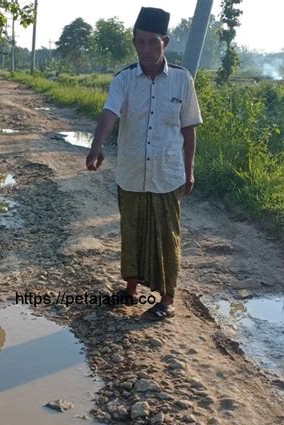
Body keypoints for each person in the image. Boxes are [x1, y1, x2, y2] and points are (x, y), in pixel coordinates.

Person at [86, 6, 203, 319]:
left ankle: (167, 300)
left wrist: (189, 170)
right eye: (141, 42)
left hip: (168, 174)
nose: (147, 49)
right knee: (132, 231)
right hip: (132, 172)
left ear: (165, 41)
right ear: (134, 42)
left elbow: (188, 129)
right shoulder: (124, 79)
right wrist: (96, 146)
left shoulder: (182, 80)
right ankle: (131, 290)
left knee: (167, 236)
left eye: (154, 42)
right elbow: (110, 112)